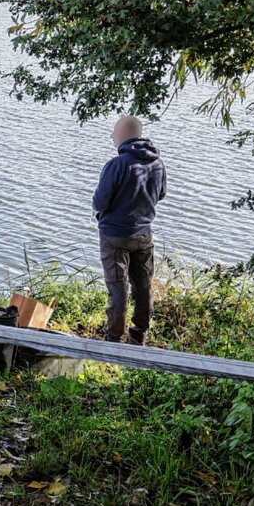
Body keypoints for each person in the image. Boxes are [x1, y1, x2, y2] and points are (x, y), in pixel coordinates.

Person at [92, 116, 166, 345]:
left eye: (114, 131)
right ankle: (139, 335)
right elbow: (161, 194)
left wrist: (102, 212)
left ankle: (113, 338)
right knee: (143, 286)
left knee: (118, 286)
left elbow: (100, 201)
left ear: (124, 133)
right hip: (144, 234)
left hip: (115, 236)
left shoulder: (117, 164)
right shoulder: (157, 163)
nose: (112, 136)